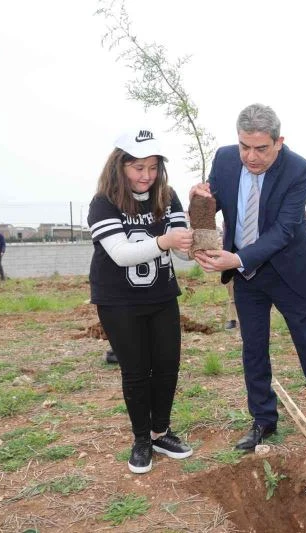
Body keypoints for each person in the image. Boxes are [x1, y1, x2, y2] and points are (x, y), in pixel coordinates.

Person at [190, 103, 306, 450]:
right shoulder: (225, 159)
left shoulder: (298, 169)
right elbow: (213, 202)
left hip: (289, 271)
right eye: (245, 146)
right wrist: (198, 199)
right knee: (254, 349)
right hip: (247, 276)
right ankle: (263, 421)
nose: (251, 157)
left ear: (279, 142)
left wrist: (237, 258)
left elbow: (283, 230)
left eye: (261, 148)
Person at [88, 128, 195, 473]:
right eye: (138, 168)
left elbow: (184, 254)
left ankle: (160, 432)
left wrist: (198, 231)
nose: (146, 175)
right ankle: (141, 440)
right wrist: (165, 241)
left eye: (152, 167)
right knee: (136, 371)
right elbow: (121, 254)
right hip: (119, 301)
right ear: (120, 166)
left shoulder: (168, 196)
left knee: (166, 367)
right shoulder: (103, 202)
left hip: (162, 295)